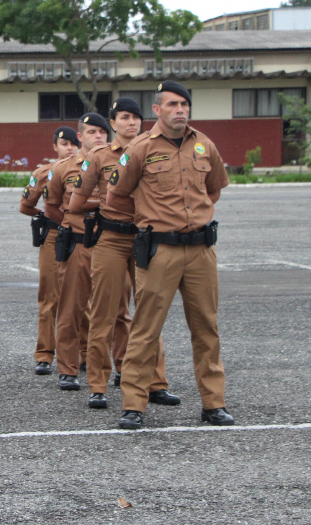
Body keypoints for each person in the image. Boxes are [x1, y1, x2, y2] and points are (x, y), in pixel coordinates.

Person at [108, 81, 232, 430]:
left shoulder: (204, 145)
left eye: (185, 105)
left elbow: (214, 191)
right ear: (157, 110)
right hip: (160, 249)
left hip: (201, 251)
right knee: (146, 329)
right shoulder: (140, 148)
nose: (181, 110)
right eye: (173, 105)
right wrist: (149, 218)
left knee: (206, 328)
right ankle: (134, 404)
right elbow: (117, 196)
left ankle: (213, 404)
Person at [69, 98, 179, 410]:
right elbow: (75, 204)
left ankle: (155, 383)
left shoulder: (155, 150)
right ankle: (98, 386)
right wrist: (103, 204)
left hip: (147, 239)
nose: (131, 123)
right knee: (104, 313)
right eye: (124, 117)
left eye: (136, 118)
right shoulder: (99, 156)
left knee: (149, 313)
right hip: (112, 239)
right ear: (113, 122)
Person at [44, 113, 108, 391]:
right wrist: (72, 224)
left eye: (103, 132)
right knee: (71, 309)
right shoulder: (63, 168)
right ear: (80, 136)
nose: (99, 137)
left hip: (111, 245)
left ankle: (114, 367)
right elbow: (51, 208)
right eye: (92, 132)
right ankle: (68, 369)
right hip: (78, 244)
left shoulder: (120, 163)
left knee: (114, 312)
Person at [19, 127, 77, 376]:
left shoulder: (89, 170)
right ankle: (45, 354)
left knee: (82, 298)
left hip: (85, 237)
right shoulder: (44, 173)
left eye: (74, 143)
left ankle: (82, 353)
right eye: (64, 143)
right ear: (55, 147)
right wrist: (46, 215)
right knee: (49, 297)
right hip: (54, 236)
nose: (70, 148)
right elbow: (25, 206)